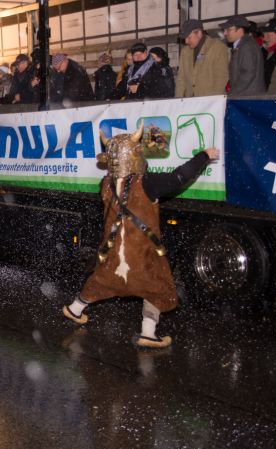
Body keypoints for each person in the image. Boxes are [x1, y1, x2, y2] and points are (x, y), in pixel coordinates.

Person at [62, 124, 219, 349]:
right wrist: (204, 156)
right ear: (134, 155)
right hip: (141, 258)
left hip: (113, 255)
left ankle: (75, 309)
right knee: (157, 287)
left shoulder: (105, 185)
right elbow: (179, 177)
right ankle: (148, 333)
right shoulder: (147, 184)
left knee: (101, 282)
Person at [174, 19, 229, 98]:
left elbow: (221, 78)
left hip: (210, 101)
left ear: (199, 33)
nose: (186, 41)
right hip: (190, 101)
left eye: (189, 37)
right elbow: (181, 78)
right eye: (185, 38)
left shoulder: (218, 48)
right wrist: (178, 100)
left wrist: (212, 101)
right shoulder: (185, 52)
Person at [220, 15, 265, 96]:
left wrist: (233, 93)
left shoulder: (247, 46)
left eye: (228, 30)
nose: (225, 33)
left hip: (248, 97)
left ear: (240, 30)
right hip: (245, 95)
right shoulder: (242, 45)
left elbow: (248, 73)